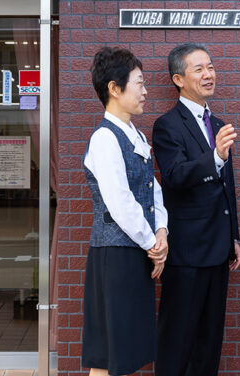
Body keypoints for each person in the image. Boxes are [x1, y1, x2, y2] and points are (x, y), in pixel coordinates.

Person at [152, 43, 240, 376]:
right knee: (177, 339)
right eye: (199, 69)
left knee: (209, 340)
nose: (209, 75)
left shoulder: (217, 122)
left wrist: (233, 235)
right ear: (178, 78)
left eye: (211, 67)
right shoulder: (167, 125)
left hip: (218, 250)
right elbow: (174, 176)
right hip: (186, 251)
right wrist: (215, 156)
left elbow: (226, 185)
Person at [81, 47, 169, 376]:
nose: (146, 92)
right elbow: (119, 202)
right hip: (115, 255)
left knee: (126, 350)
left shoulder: (136, 135)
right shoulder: (105, 138)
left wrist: (161, 232)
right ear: (115, 89)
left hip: (135, 251)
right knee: (110, 353)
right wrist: (152, 243)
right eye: (139, 84)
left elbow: (152, 189)